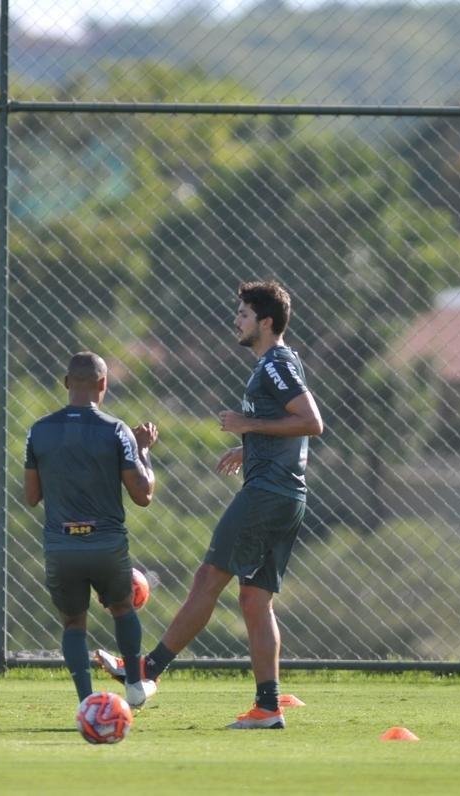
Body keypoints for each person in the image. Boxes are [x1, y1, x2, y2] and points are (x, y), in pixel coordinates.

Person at [95, 280, 323, 729]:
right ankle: (267, 707)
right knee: (256, 602)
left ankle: (148, 669)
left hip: (266, 495)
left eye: (243, 314)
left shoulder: (274, 363)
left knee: (207, 578)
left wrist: (247, 424)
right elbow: (291, 425)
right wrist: (251, 443)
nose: (235, 320)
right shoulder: (280, 361)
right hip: (287, 496)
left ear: (266, 322)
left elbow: (311, 422)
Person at [24, 352, 158, 708]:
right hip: (106, 544)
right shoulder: (117, 430)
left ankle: (88, 702)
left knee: (73, 624)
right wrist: (144, 452)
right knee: (123, 608)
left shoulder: (39, 431)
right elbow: (143, 495)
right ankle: (133, 684)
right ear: (103, 385)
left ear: (67, 384)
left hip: (61, 544)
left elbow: (31, 496)